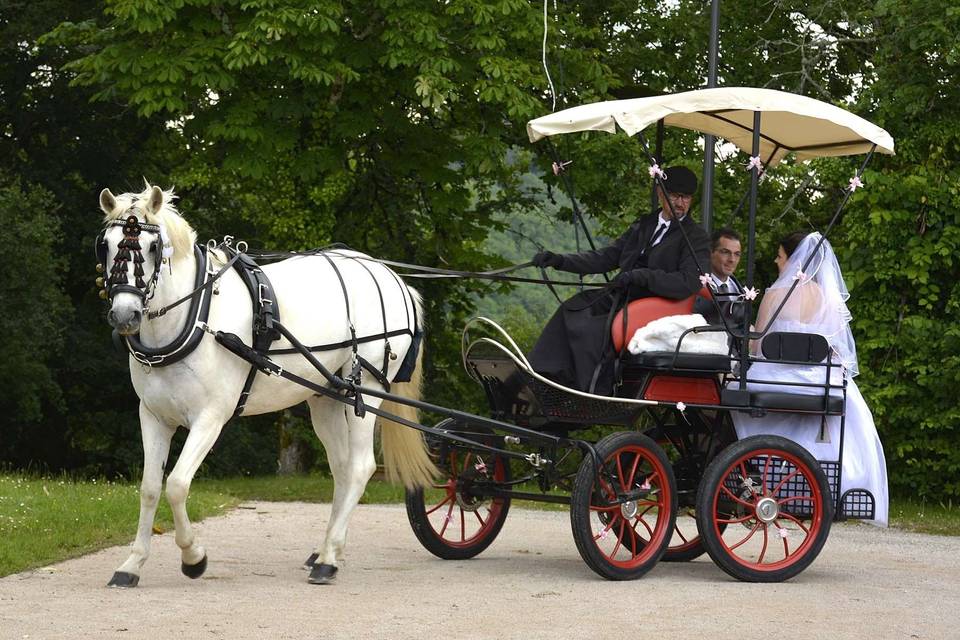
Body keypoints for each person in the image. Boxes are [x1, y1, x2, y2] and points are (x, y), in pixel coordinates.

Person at [731, 231, 889, 526]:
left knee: (730, 391)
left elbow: (760, 346)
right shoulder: (828, 298)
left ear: (793, 260)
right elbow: (836, 350)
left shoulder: (776, 294)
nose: (778, 263)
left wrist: (751, 331)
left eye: (780, 258)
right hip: (819, 380)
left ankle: (756, 470)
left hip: (779, 377)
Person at [527, 165, 710, 394]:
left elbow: (689, 281)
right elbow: (608, 256)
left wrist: (644, 276)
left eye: (686, 198)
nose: (681, 203)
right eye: (675, 196)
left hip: (655, 300)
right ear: (661, 194)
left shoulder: (696, 237)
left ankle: (586, 391)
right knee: (573, 308)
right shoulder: (645, 224)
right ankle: (543, 376)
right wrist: (560, 261)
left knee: (590, 329)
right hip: (623, 293)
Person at [693, 227, 745, 327]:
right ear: (711, 252)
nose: (732, 259)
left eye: (737, 254)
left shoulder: (739, 288)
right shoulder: (697, 286)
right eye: (725, 252)